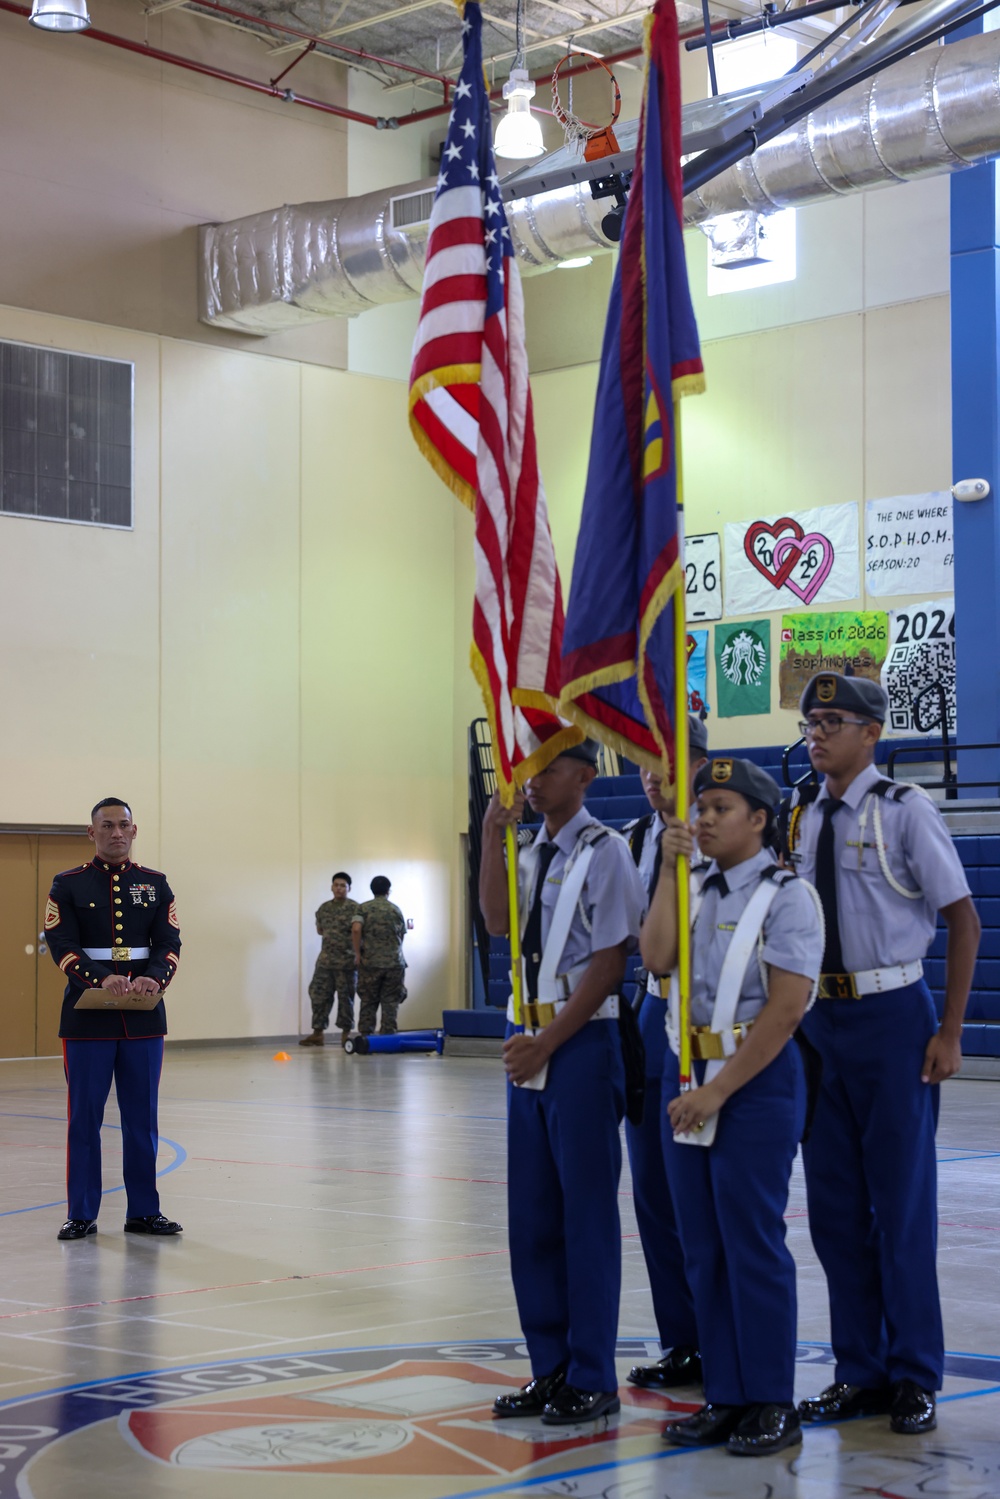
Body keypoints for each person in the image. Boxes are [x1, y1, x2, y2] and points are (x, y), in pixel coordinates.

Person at [784, 673, 980, 1436]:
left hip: (894, 1012)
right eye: (811, 723)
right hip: (819, 1019)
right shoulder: (801, 814)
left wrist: (951, 1030)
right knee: (834, 1210)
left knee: (901, 1206)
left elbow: (963, 920)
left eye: (833, 721)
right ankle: (857, 1368)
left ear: (871, 731)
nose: (818, 734)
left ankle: (913, 1373)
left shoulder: (905, 810)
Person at [642, 758, 823, 1456]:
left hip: (752, 1081)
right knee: (703, 1246)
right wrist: (665, 867)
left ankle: (772, 1398)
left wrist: (719, 1089)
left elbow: (784, 1012)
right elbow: (656, 959)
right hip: (685, 1072)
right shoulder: (686, 883)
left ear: (759, 818)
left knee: (751, 1243)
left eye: (722, 807)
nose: (707, 817)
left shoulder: (787, 897)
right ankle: (727, 1392)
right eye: (702, 806)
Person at [479, 740, 646, 1426]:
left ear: (585, 773)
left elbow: (611, 963)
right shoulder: (528, 849)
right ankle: (549, 1365)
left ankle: (591, 1372)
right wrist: (494, 828)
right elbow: (495, 920)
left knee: (585, 1217)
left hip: (579, 1041)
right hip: (530, 1041)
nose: (535, 782)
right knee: (534, 1219)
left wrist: (549, 1040)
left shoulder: (604, 850)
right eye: (528, 770)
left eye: (547, 768)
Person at [43, 798, 183, 1242]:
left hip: (143, 1019)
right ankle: (81, 1213)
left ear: (135, 830)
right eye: (107, 826)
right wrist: (101, 980)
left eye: (124, 825)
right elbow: (62, 944)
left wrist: (155, 979)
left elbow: (169, 942)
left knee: (141, 1119)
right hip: (88, 1019)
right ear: (92, 832)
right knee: (84, 1118)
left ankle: (144, 1210)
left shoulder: (155, 884)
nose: (116, 833)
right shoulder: (67, 885)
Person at [623, 715, 708, 1394]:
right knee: (651, 1190)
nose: (652, 777)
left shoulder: (724, 831)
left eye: (667, 763)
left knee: (696, 1194)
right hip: (651, 1006)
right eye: (644, 764)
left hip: (701, 1011)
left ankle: (720, 1337)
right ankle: (682, 1338)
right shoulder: (635, 835)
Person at [300, 871, 360, 1048]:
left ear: (349, 888)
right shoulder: (324, 908)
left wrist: (357, 954)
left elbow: (359, 932)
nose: (339, 889)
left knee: (345, 999)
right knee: (318, 995)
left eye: (343, 886)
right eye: (336, 885)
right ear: (331, 887)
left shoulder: (356, 909)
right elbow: (320, 930)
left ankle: (345, 1034)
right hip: (325, 962)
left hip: (346, 963)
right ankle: (318, 1033)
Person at [352, 877, 407, 1036]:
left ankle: (366, 1039)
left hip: (371, 963)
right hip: (394, 963)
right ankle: (388, 1038)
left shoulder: (363, 908)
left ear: (372, 890)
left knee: (368, 1000)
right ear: (388, 891)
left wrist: (357, 953)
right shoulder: (395, 910)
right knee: (390, 1002)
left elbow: (356, 929)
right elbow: (401, 936)